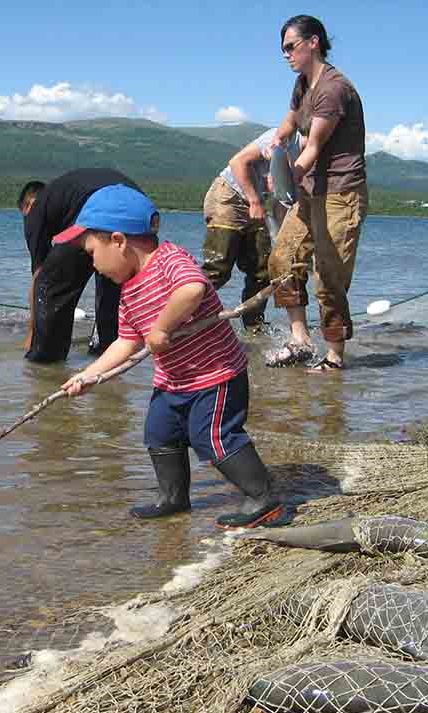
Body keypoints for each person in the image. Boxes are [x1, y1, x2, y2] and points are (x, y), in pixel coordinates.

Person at [58, 184, 290, 529]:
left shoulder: (169, 259)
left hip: (216, 376)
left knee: (212, 437)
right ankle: (173, 498)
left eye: (91, 252)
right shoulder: (128, 290)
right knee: (159, 433)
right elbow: (126, 342)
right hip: (173, 382)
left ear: (119, 241)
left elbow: (192, 289)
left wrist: (163, 327)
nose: (92, 264)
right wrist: (89, 375)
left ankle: (262, 496)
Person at [266, 15, 368, 371]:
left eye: (290, 47)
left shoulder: (333, 88)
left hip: (341, 194)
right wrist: (277, 141)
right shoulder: (302, 85)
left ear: (313, 42)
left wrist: (283, 177)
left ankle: (335, 358)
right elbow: (292, 122)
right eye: (282, 50)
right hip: (310, 194)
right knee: (281, 259)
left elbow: (311, 150)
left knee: (329, 276)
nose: (286, 55)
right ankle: (300, 339)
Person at [18, 169, 141, 363]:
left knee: (52, 289)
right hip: (137, 206)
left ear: (27, 206)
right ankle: (107, 353)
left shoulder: (36, 210)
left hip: (99, 206)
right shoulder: (67, 193)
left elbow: (39, 276)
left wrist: (32, 334)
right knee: (111, 285)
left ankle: (46, 364)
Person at [200, 129, 279, 331]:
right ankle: (178, 318)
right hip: (229, 197)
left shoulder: (309, 152)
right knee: (218, 268)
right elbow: (237, 162)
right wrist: (254, 200)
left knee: (262, 270)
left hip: (257, 200)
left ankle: (254, 326)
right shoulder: (279, 137)